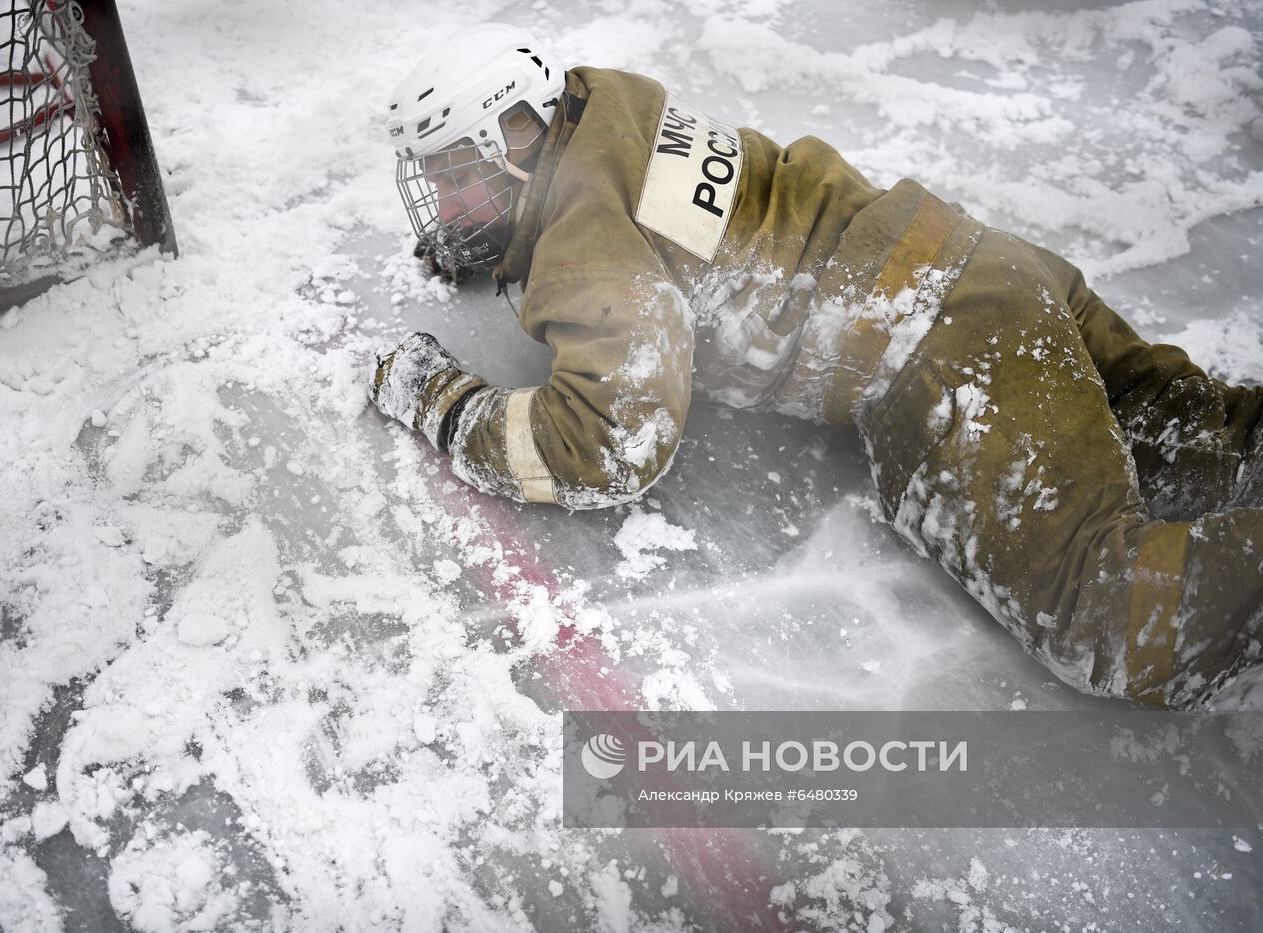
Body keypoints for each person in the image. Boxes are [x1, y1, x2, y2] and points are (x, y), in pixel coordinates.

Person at [369, 23, 1263, 710]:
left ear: (518, 140)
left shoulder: (589, 239)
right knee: (1205, 436)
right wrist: (493, 235)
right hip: (977, 260)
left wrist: (440, 401)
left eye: (457, 177)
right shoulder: (603, 103)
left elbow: (610, 442)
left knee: (1099, 614)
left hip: (934, 340)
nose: (442, 205)